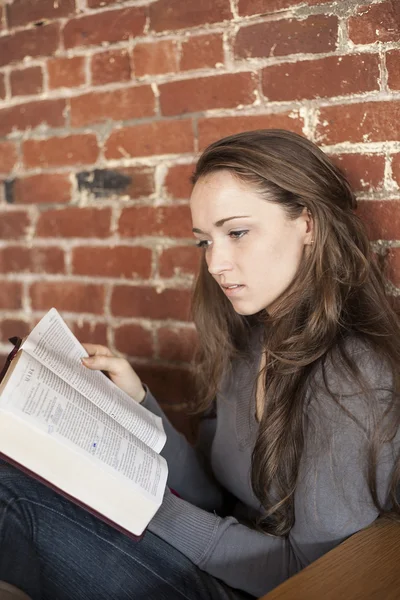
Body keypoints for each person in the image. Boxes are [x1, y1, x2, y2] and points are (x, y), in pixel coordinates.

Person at [1, 129, 400, 600]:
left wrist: (134, 504)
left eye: (236, 233)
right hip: (204, 558)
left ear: (307, 223)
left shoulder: (352, 375)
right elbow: (211, 497)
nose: (215, 263)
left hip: (263, 588)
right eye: (204, 242)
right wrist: (137, 402)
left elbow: (309, 573)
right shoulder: (250, 341)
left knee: (11, 497)